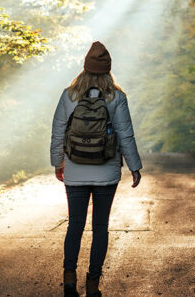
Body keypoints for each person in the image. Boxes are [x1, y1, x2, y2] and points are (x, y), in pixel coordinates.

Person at [50, 41, 143, 297]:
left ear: (85, 68)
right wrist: (135, 167)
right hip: (106, 172)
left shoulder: (69, 95)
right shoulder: (116, 97)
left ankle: (69, 279)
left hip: (76, 170)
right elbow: (126, 135)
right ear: (108, 70)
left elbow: (58, 130)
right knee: (100, 227)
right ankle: (92, 284)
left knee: (75, 225)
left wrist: (58, 162)